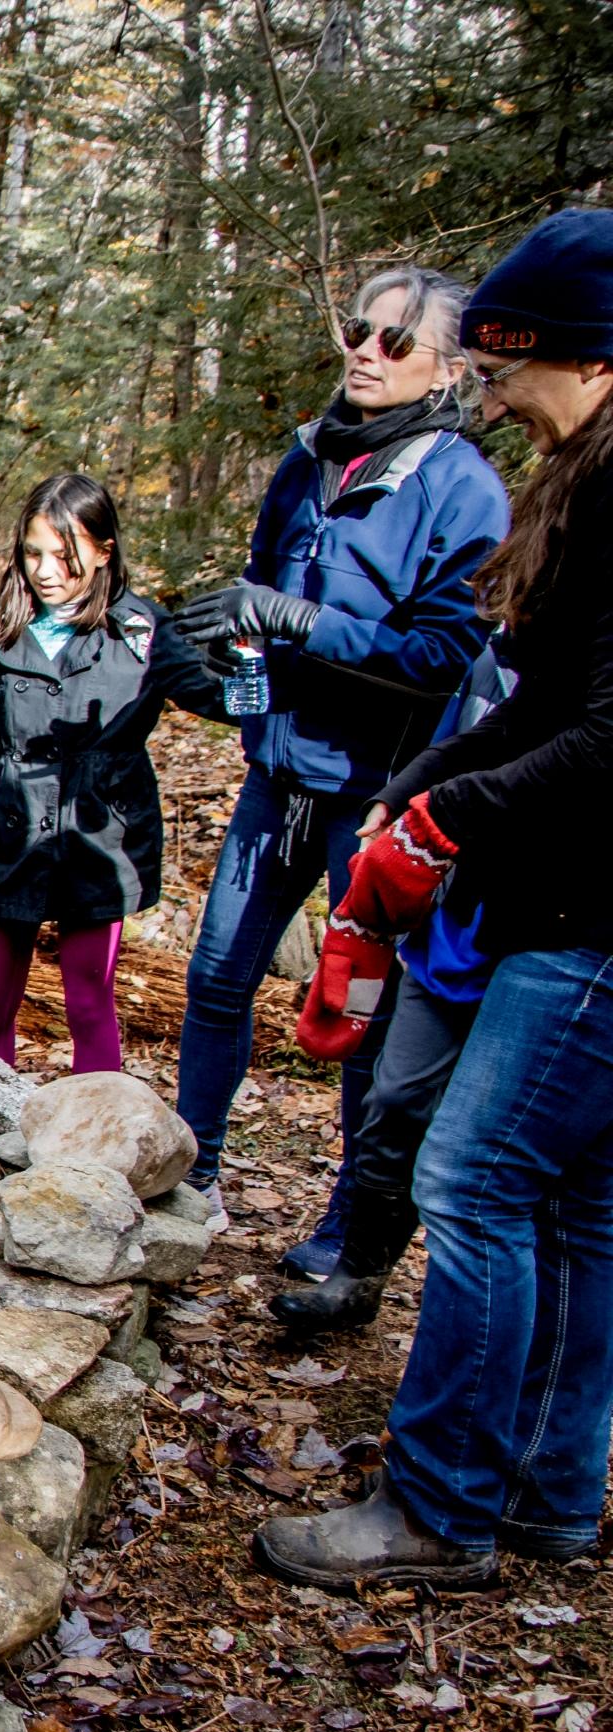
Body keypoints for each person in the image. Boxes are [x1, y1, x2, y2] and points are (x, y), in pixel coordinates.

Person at [254, 209, 613, 1589]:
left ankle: (442, 1503)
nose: (494, 394)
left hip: (588, 923)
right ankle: (548, 1489)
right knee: (575, 1204)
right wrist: (426, 781)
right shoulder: (583, 475)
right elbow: (546, 700)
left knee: (471, 1179)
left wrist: (448, 816)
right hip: (561, 901)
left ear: (584, 356)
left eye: (507, 368)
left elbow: (608, 734)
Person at [167, 267, 509, 1256]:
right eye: (360, 329)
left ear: (448, 370)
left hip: (378, 798)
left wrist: (299, 620)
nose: (365, 350)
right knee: (216, 980)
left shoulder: (461, 488)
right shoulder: (307, 457)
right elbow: (257, 597)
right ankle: (193, 1178)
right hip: (278, 779)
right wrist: (231, 657)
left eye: (396, 341)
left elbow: (442, 654)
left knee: (365, 1014)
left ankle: (353, 1230)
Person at [0, 474, 226, 1073]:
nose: (45, 571)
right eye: (32, 553)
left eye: (64, 556)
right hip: (11, 837)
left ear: (104, 551)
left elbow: (219, 698)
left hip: (99, 842)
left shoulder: (141, 633)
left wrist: (247, 655)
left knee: (88, 1001)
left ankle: (99, 1125)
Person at [271, 636, 515, 1338]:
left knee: (484, 1151)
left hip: (541, 937)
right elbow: (464, 741)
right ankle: (358, 1275)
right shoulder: (497, 655)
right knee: (396, 1097)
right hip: (451, 915)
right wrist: (396, 797)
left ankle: (480, 1323)